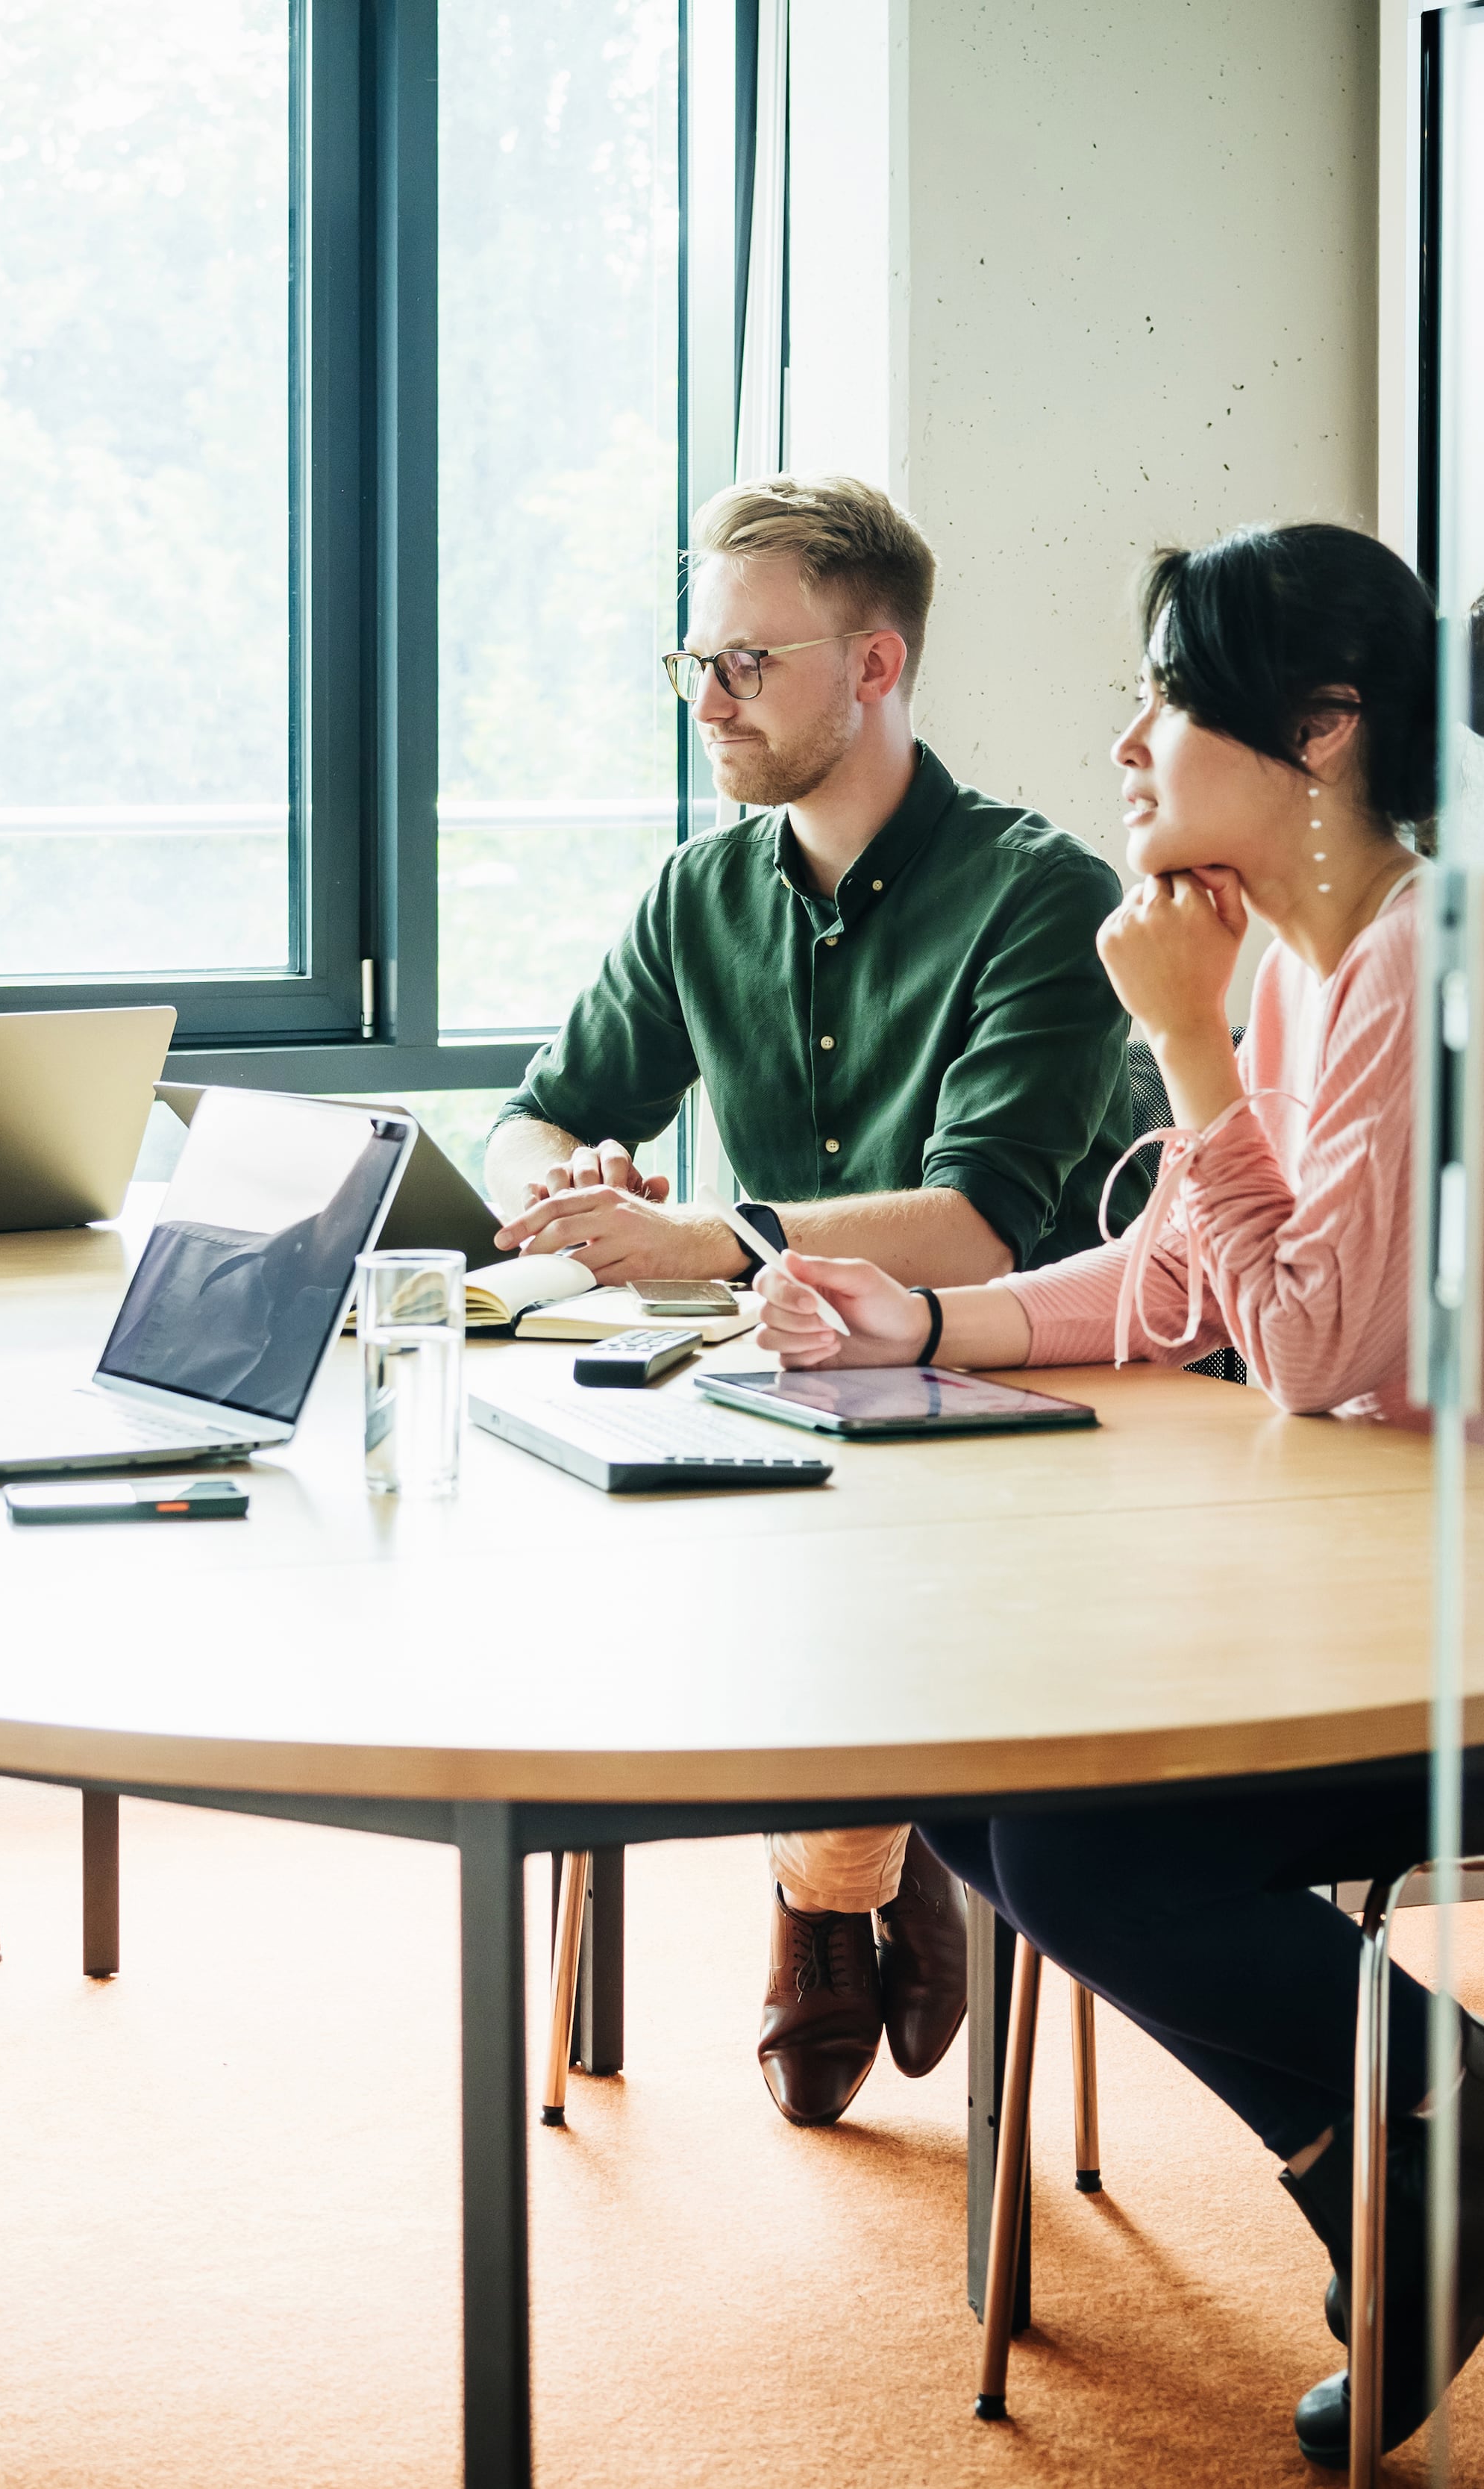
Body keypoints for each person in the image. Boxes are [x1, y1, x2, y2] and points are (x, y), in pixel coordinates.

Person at [751, 521, 1484, 2470]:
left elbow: (1305, 1349)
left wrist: (1186, 1045)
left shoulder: (1452, 965)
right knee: (984, 1774)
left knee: (1078, 1843)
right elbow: (1179, 1283)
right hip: (1445, 1575)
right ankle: (1418, 2155)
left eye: (1164, 694)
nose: (1127, 743)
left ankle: (1431, 2156)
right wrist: (933, 1316)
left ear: (1316, 733)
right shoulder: (1308, 951)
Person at [484, 474, 1133, 2129]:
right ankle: (861, 1853)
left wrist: (719, 1236)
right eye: (691, 663)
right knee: (596, 1505)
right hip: (787, 1380)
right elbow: (532, 1110)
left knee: (816, 1556)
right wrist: (562, 1190)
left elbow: (985, 1226)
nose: (707, 702)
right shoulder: (699, 891)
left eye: (746, 665)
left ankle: (823, 1885)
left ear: (874, 665)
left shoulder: (1040, 896)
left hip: (1024, 1409)